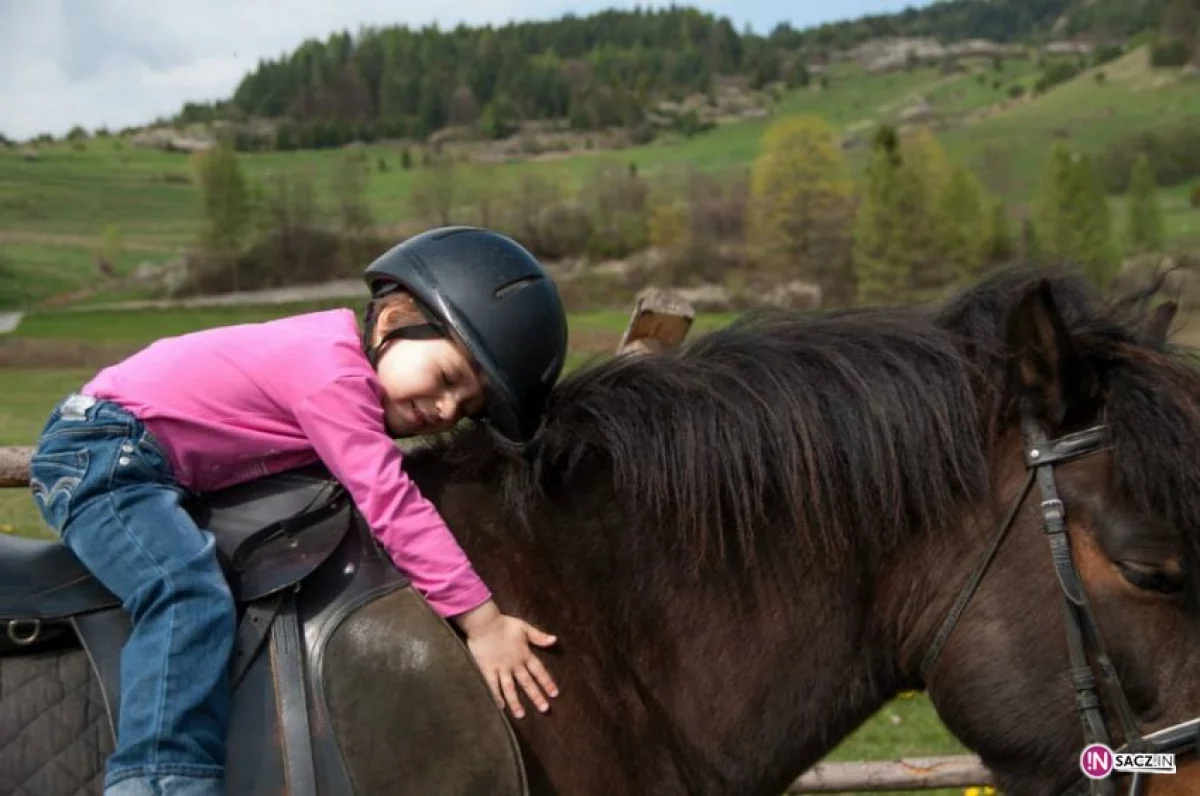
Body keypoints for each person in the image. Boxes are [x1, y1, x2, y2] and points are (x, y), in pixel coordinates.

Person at [27, 226, 569, 796]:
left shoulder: (335, 359)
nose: (444, 408)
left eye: (465, 408)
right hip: (104, 452)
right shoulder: (332, 375)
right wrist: (481, 623)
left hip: (135, 451)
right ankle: (160, 775)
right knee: (184, 590)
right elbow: (388, 501)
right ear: (390, 323)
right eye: (447, 378)